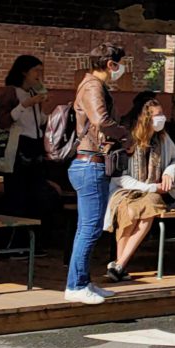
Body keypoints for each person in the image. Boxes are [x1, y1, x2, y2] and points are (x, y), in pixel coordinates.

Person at [66, 44, 131, 303]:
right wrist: (125, 135)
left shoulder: (91, 85)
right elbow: (101, 120)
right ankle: (75, 286)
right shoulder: (93, 86)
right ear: (110, 65)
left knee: (88, 228)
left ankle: (82, 282)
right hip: (90, 163)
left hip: (91, 163)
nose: (121, 70)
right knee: (90, 229)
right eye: (119, 64)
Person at [101, 95, 175, 281]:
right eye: (157, 115)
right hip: (127, 189)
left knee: (149, 208)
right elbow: (120, 176)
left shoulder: (163, 138)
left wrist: (169, 172)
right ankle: (120, 266)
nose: (161, 118)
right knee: (128, 211)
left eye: (162, 113)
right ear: (146, 118)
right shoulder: (128, 139)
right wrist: (150, 187)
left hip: (153, 193)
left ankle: (119, 264)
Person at [0, 55, 59, 221]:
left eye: (41, 71)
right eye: (36, 71)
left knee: (37, 194)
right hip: (18, 146)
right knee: (17, 194)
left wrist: (47, 110)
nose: (39, 75)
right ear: (24, 72)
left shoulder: (33, 92)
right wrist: (26, 104)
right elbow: (4, 121)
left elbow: (37, 121)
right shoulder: (12, 92)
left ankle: (33, 236)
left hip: (34, 145)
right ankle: (16, 239)